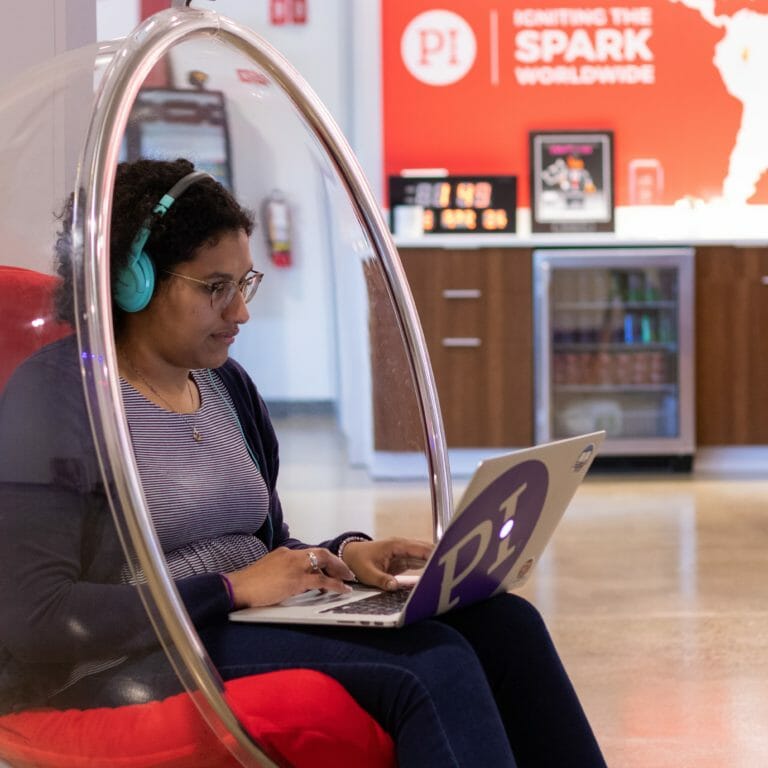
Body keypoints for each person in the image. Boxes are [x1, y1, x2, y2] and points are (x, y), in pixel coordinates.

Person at [0, 158, 607, 768]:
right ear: (131, 280)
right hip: (133, 653)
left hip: (237, 620)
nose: (240, 313)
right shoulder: (61, 401)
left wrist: (342, 557)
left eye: (245, 284)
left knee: (507, 625)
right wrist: (231, 590)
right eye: (216, 288)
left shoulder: (227, 387)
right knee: (432, 665)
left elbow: (266, 546)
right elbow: (38, 617)